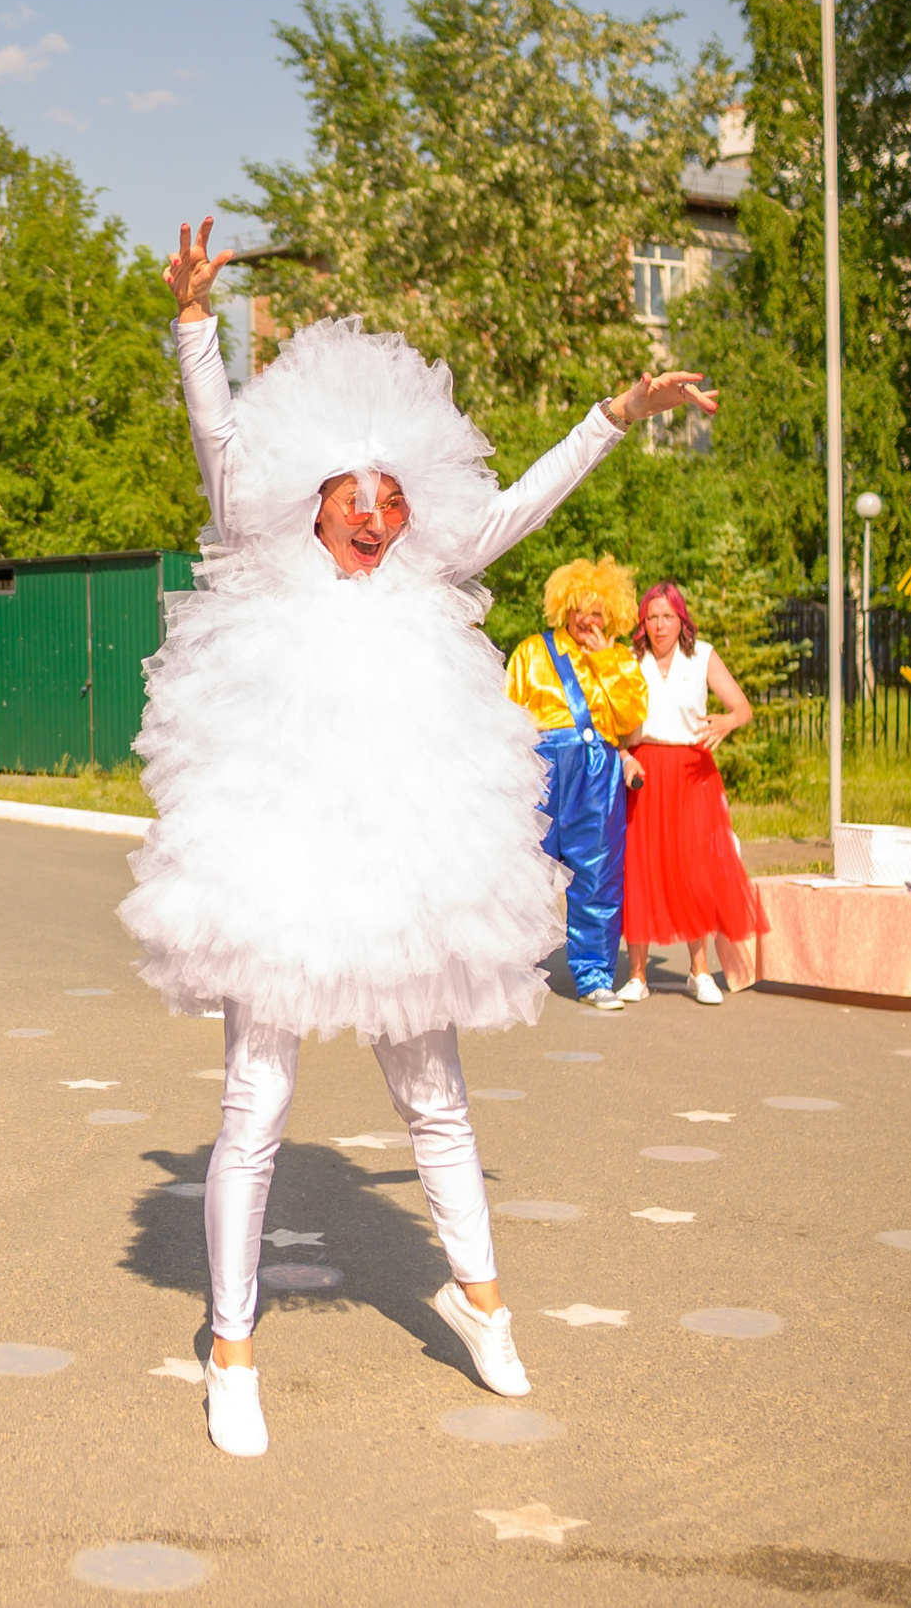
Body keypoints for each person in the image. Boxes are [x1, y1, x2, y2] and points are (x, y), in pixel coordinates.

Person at [122, 220, 718, 1458]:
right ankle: (230, 1347)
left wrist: (615, 414)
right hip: (281, 861)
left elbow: (525, 497)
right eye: (355, 493)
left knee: (434, 1095)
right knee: (255, 1101)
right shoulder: (261, 548)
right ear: (312, 496)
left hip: (402, 861)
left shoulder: (426, 566)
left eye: (393, 495)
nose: (376, 515)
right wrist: (193, 325)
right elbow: (220, 446)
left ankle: (481, 1300)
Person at [505, 559, 650, 1012]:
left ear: (613, 616)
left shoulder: (620, 659)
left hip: (597, 773)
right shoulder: (531, 652)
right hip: (542, 767)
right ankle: (512, 971)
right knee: (526, 871)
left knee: (597, 874)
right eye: (580, 609)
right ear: (563, 606)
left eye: (598, 612)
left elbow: (631, 719)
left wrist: (605, 660)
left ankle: (593, 976)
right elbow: (508, 716)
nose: (588, 620)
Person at [616, 581, 762, 1006]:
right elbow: (614, 722)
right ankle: (638, 975)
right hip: (645, 769)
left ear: (681, 619)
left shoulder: (702, 656)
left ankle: (699, 972)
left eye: (668, 616)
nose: (660, 625)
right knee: (641, 867)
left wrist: (727, 722)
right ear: (643, 622)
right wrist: (624, 756)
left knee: (694, 869)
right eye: (652, 617)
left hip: (693, 772)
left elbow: (743, 708)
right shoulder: (630, 660)